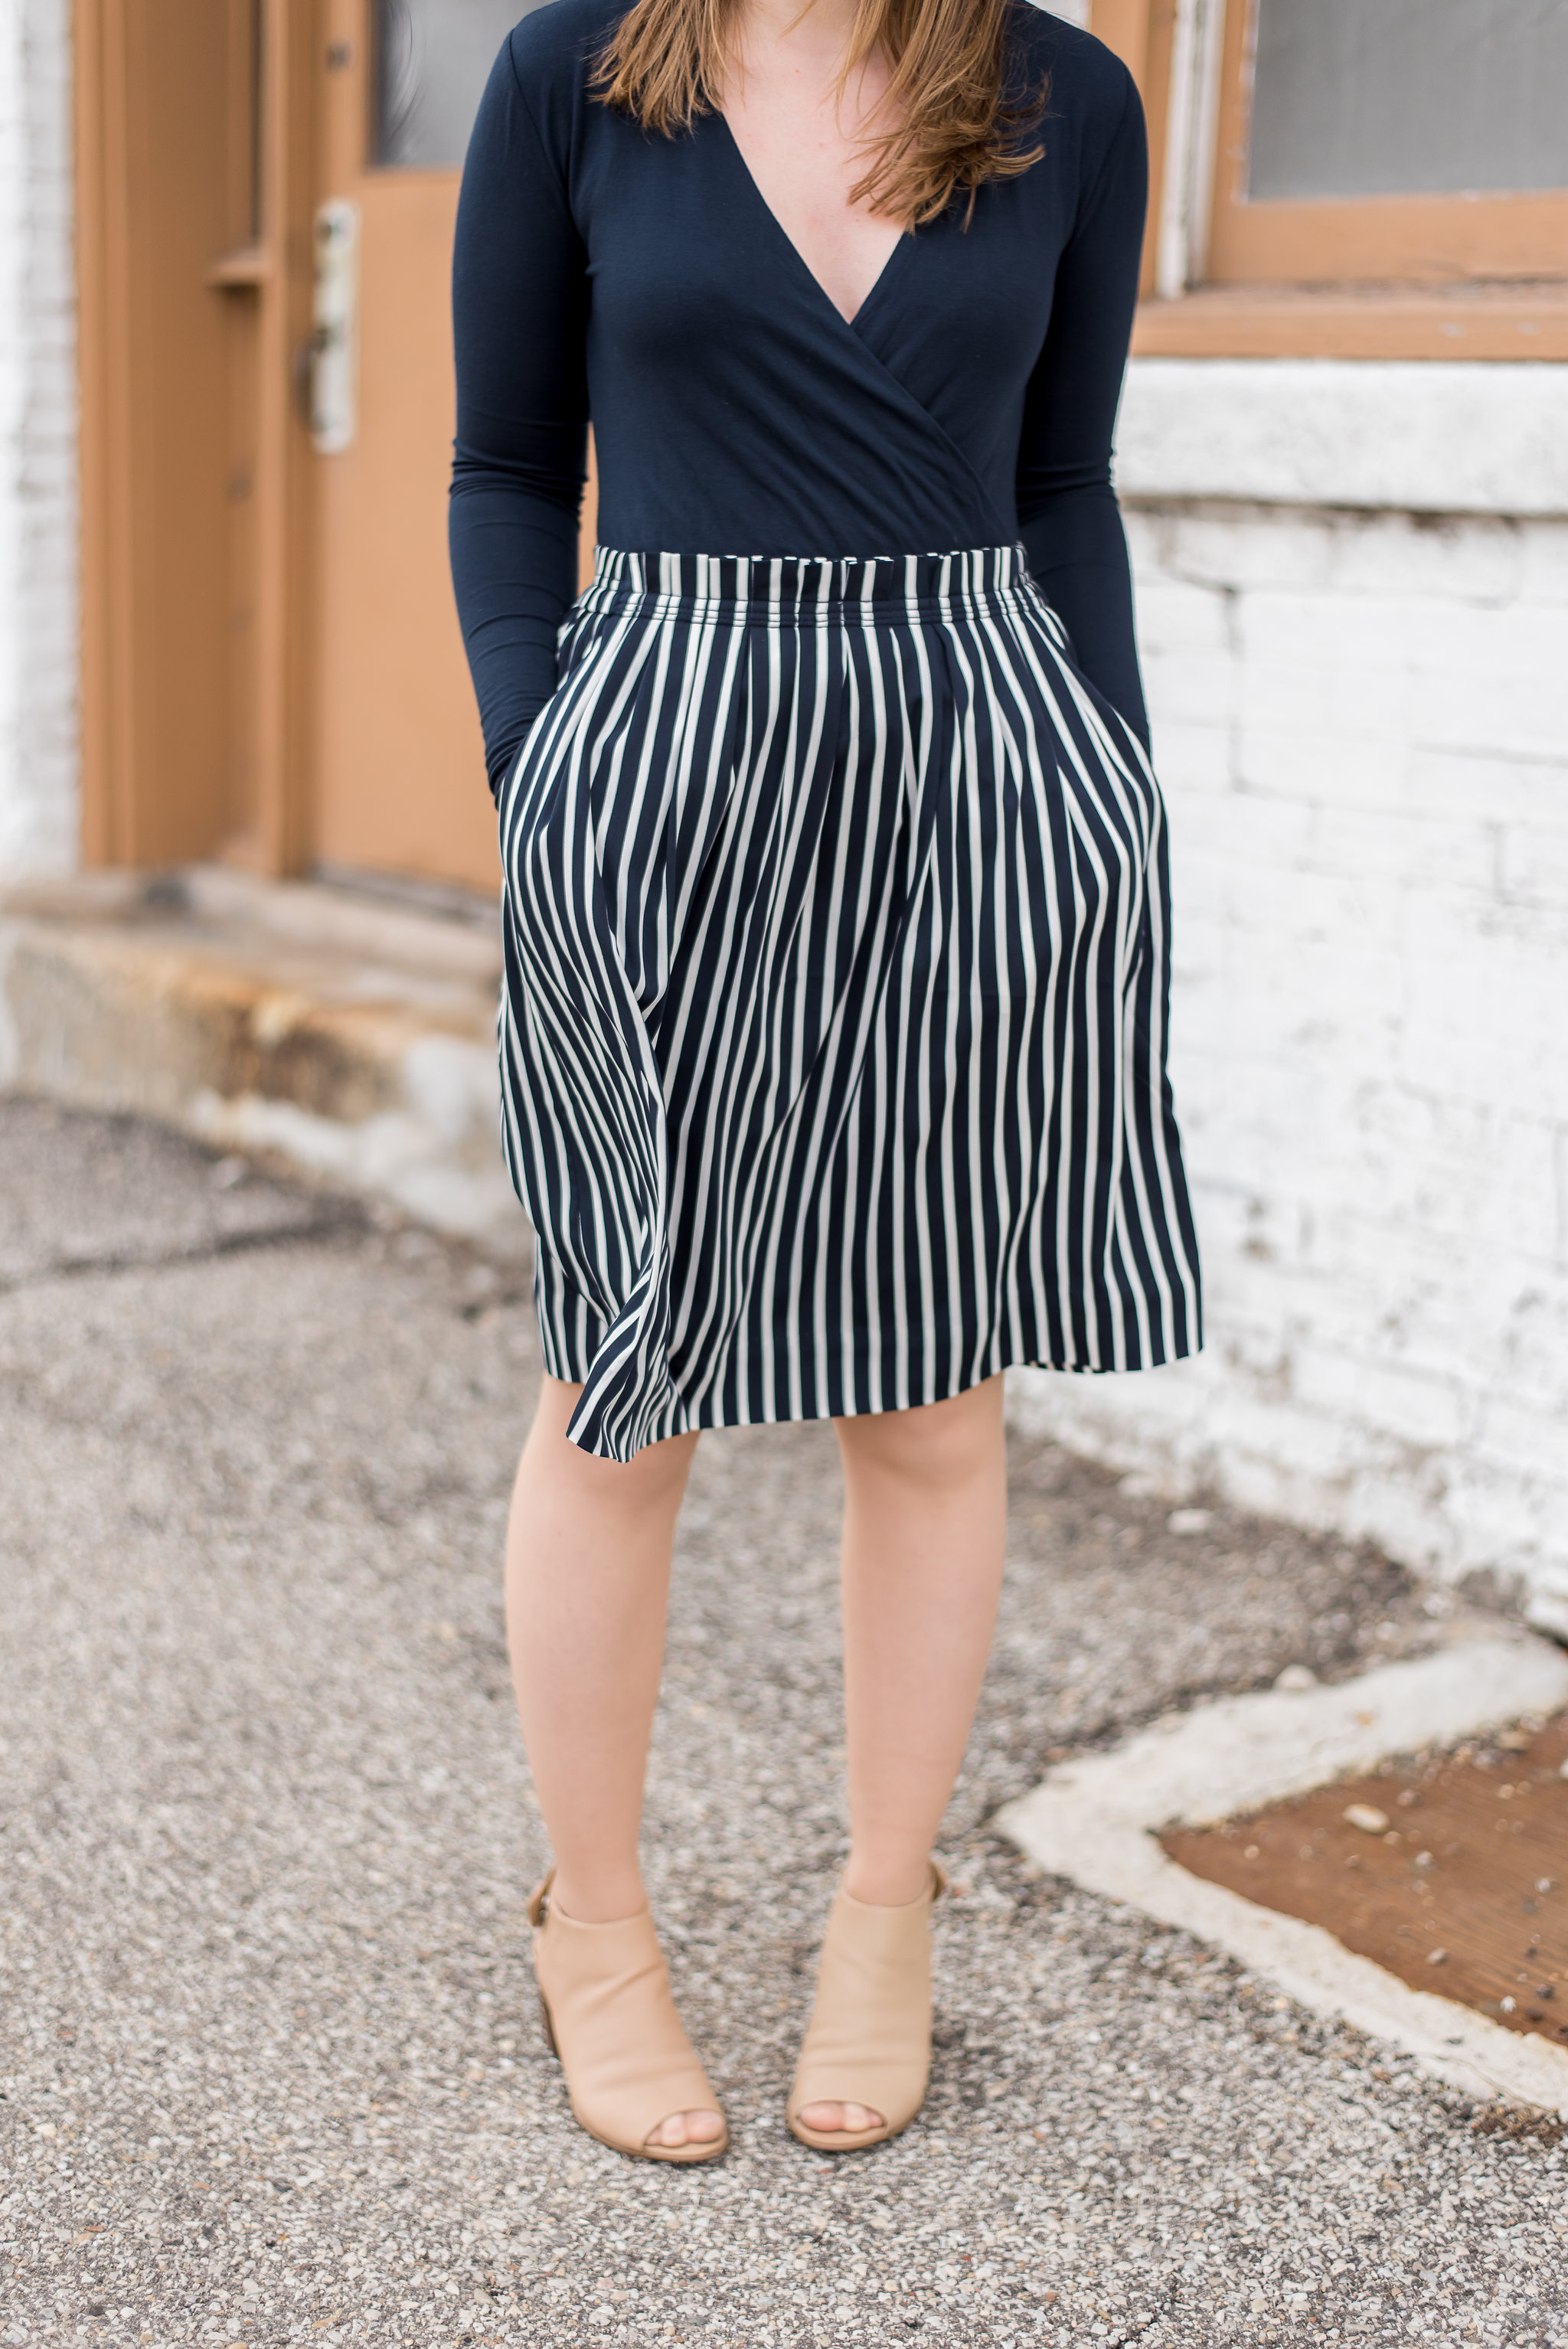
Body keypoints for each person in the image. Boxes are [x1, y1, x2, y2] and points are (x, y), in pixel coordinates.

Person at [448, 0, 1201, 2164]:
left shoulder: (1069, 96)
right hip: (665, 774)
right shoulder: (572, 79)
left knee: (935, 1383)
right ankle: (594, 1920)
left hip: (976, 779)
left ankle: (889, 1907)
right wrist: (544, 766)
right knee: (624, 1373)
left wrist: (1110, 805)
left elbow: (1065, 482)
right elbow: (507, 467)